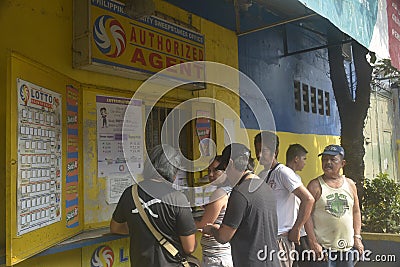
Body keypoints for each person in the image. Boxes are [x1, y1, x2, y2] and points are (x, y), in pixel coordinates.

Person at [110, 144, 197, 267]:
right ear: (173, 170)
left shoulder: (130, 193)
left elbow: (116, 228)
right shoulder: (177, 199)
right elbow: (189, 247)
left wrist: (139, 228)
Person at [203, 143, 279, 267]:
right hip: (272, 260)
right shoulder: (265, 188)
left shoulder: (240, 193)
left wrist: (211, 228)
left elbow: (223, 236)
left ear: (231, 164)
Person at [254, 132, 314, 267]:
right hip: (265, 238)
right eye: (257, 150)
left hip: (280, 239)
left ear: (275, 151)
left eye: (264, 151)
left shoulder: (283, 173)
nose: (259, 155)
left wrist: (297, 228)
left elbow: (308, 199)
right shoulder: (262, 174)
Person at [305, 145, 364, 266]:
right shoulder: (315, 186)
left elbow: (356, 211)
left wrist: (357, 237)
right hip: (324, 249)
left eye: (333, 159)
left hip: (347, 249)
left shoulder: (350, 184)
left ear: (343, 163)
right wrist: (313, 243)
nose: (328, 162)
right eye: (325, 159)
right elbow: (307, 216)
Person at [195, 156, 233, 267]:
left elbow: (203, 225)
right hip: (219, 255)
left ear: (226, 171)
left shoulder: (220, 194)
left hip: (217, 258)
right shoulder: (229, 190)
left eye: (216, 170)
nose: (211, 175)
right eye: (209, 170)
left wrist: (182, 221)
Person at [285, 144, 309, 267]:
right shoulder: (287, 176)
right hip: (291, 230)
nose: (305, 163)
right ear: (296, 159)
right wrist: (297, 228)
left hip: (299, 229)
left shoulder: (296, 177)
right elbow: (307, 200)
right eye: (303, 159)